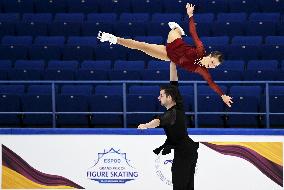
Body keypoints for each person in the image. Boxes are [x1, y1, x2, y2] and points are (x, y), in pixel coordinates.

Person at [97, 3, 233, 107]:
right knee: (174, 31)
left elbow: (211, 83)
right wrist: (190, 15)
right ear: (209, 56)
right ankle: (177, 29)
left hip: (169, 55)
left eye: (215, 66)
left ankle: (113, 39)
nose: (212, 66)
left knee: (143, 47)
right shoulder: (200, 49)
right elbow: (193, 32)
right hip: (175, 42)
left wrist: (222, 95)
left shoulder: (203, 71)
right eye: (213, 62)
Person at [138, 61, 199, 190]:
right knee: (187, 186)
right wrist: (173, 63)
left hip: (184, 152)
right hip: (188, 149)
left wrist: (145, 125)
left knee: (180, 185)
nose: (158, 98)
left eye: (161, 95)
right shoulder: (179, 104)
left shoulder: (172, 113)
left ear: (170, 98)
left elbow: (158, 121)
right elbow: (174, 83)